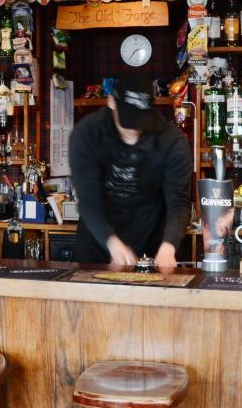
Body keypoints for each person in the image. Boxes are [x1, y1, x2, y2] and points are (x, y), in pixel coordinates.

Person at [69, 74, 192, 269]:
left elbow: (178, 202)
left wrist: (169, 246)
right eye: (128, 120)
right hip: (97, 245)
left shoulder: (172, 141)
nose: (134, 130)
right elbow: (89, 201)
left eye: (141, 121)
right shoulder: (87, 134)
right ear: (111, 102)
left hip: (152, 248)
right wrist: (113, 244)